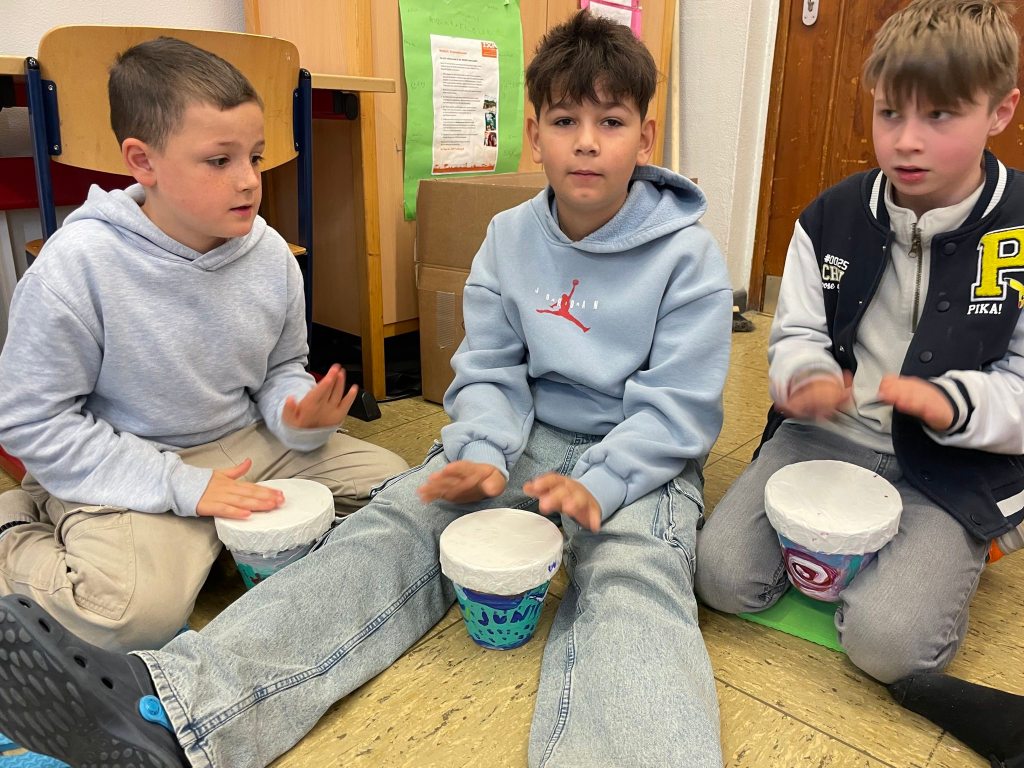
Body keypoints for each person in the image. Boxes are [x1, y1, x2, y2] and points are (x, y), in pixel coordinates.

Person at [0, 11, 733, 768]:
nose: (585, 141)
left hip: (640, 456)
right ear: (534, 134)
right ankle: (186, 711)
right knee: (397, 524)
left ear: (645, 138)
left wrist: (604, 483)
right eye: (565, 120)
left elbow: (677, 409)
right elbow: (489, 370)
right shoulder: (508, 237)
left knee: (634, 577)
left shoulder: (688, 256)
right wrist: (482, 450)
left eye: (611, 121)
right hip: (525, 435)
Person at [0, 37, 408, 654]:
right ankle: (16, 524)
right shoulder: (77, 267)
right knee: (125, 617)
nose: (249, 181)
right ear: (143, 161)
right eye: (219, 161)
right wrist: (182, 488)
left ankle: (209, 543)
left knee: (402, 494)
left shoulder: (271, 255)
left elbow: (281, 368)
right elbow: (33, 422)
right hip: (133, 459)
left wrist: (295, 416)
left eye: (256, 157)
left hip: (247, 443)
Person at [696, 0, 1024, 694]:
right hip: (824, 440)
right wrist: (804, 375)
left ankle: (948, 551)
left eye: (940, 116)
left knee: (888, 646)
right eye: (889, 113)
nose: (907, 142)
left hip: (948, 468)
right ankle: (869, 553)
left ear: (1000, 111)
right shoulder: (828, 218)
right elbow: (796, 333)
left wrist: (954, 404)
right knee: (719, 576)